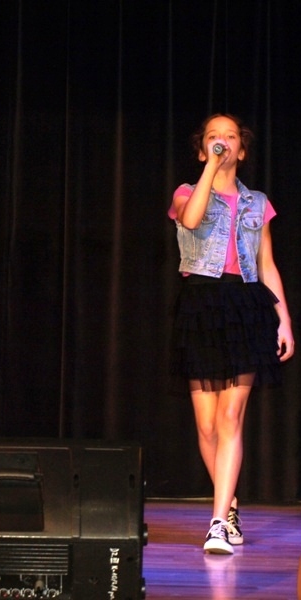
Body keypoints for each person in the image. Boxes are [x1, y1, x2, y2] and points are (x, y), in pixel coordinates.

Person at [168, 113, 294, 554]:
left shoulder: (258, 202)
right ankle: (231, 504)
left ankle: (218, 522)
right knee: (206, 426)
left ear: (242, 148)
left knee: (230, 417)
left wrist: (284, 319)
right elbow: (191, 220)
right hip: (201, 306)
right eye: (212, 137)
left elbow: (266, 264)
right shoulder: (186, 192)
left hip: (245, 306)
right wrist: (210, 169)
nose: (222, 142)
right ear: (202, 148)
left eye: (230, 137)